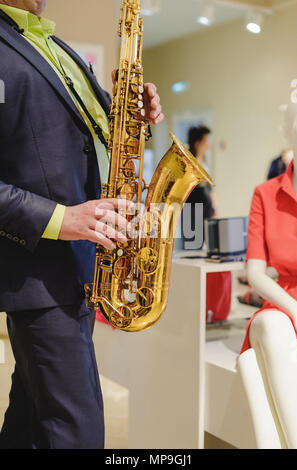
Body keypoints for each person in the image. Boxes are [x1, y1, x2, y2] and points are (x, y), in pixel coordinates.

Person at [0, 0, 164, 449]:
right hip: (40, 275)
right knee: (79, 431)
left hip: (80, 268)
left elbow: (82, 135)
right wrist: (62, 218)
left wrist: (130, 112)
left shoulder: (55, 46)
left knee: (31, 424)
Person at [239, 99, 297, 448]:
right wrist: (293, 309)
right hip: (281, 302)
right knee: (274, 327)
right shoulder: (266, 193)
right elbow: (255, 273)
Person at [182, 125, 217, 249]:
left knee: (207, 245)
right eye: (205, 141)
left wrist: (214, 207)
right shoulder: (189, 162)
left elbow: (209, 187)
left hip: (205, 209)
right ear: (197, 143)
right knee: (193, 246)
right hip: (192, 210)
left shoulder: (205, 161)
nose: (208, 145)